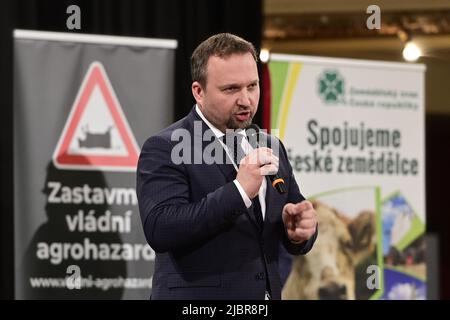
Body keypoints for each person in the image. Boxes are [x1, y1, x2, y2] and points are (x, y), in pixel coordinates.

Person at [136, 33, 318, 300]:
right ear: (199, 92)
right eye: (231, 89)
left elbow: (288, 220)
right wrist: (239, 191)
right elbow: (161, 230)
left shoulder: (269, 144)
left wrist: (299, 231)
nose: (246, 99)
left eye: (252, 86)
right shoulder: (166, 147)